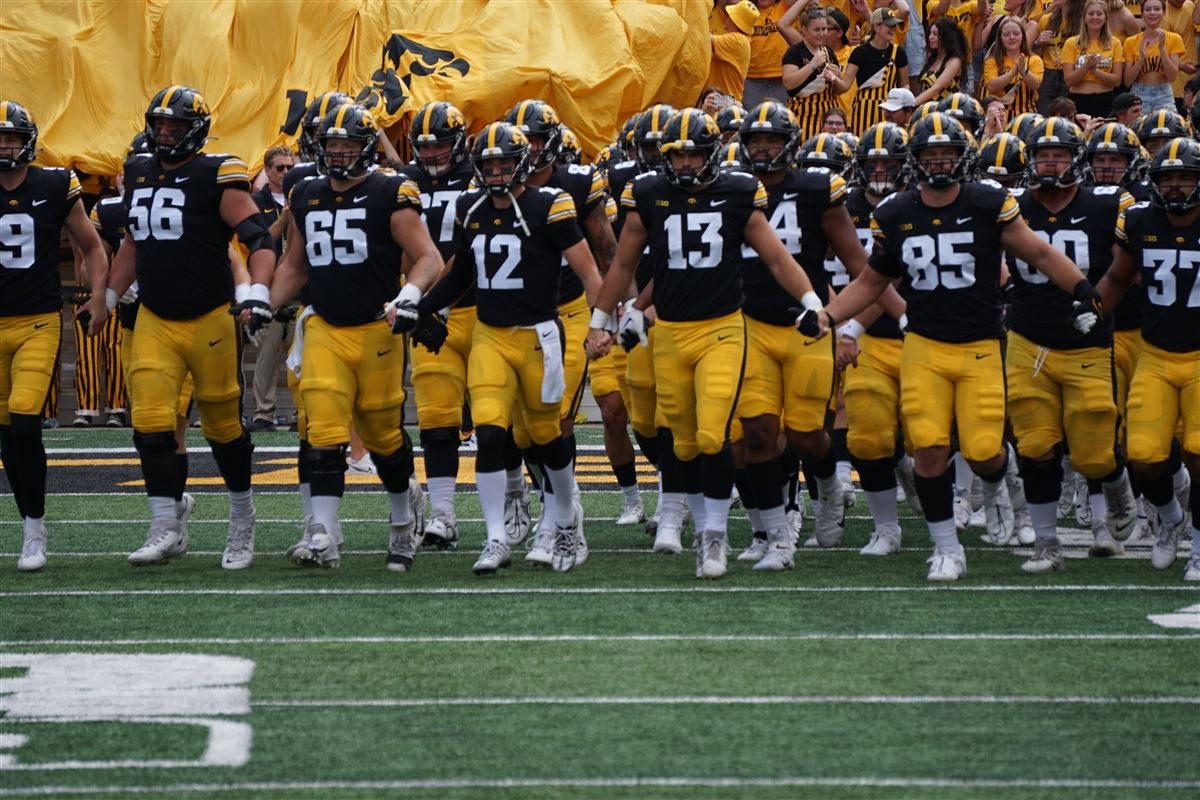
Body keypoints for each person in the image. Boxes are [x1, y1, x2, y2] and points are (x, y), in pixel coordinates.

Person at [809, 112, 1102, 580]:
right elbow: (872, 281)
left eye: (947, 152)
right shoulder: (897, 213)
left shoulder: (988, 202)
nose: (939, 161)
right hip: (925, 345)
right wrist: (829, 317)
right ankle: (947, 547)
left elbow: (1040, 253)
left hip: (980, 345)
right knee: (927, 447)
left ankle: (1008, 490)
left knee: (985, 448)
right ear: (917, 160)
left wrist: (1084, 289)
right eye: (931, 154)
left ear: (962, 157)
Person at [585, 108, 825, 579]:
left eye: (694, 155)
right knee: (686, 440)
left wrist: (812, 300)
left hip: (722, 329)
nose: (686, 165)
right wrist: (602, 322)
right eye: (677, 156)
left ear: (713, 154)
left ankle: (712, 538)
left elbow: (777, 258)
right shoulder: (650, 194)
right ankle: (712, 527)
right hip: (671, 332)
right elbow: (623, 267)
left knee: (717, 434)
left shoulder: (737, 193)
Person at [262, 102, 441, 572]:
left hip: (376, 326)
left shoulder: (389, 191)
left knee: (383, 435)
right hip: (323, 324)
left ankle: (404, 522)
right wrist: (263, 302)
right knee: (322, 427)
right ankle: (322, 533)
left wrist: (409, 296)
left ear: (365, 148)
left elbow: (428, 258)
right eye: (331, 146)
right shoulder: (305, 193)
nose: (338, 155)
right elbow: (296, 266)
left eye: (347, 146)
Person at [417, 122, 602, 575]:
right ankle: (496, 537)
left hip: (540, 335)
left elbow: (589, 270)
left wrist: (601, 323)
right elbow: (461, 274)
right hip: (490, 336)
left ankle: (565, 519)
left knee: (545, 435)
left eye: (503, 163)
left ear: (522, 163)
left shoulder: (550, 205)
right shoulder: (472, 206)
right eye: (489, 164)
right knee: (491, 435)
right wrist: (424, 308)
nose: (496, 171)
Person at [106, 85, 275, 570]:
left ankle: (242, 518)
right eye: (158, 125)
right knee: (151, 424)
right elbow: (133, 245)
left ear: (195, 131)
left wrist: (257, 293)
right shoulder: (138, 169)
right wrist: (109, 296)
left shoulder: (215, 173)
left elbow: (259, 239)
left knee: (223, 428)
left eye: (174, 126)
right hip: (156, 317)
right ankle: (166, 524)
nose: (164, 133)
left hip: (209, 319)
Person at [734, 103, 901, 569]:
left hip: (805, 325)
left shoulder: (815, 189)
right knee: (759, 433)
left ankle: (828, 486)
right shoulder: (731, 188)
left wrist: (868, 319)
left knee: (807, 436)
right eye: (754, 140)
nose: (762, 148)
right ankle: (774, 534)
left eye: (770, 139)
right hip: (747, 324)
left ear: (789, 142)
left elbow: (860, 265)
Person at [1004, 117, 1139, 571]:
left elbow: (1125, 267)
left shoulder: (1106, 205)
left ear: (1074, 158)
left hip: (1088, 342)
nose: (1050, 162)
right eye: (1042, 154)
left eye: (1059, 153)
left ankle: (1116, 482)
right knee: (1036, 446)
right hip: (1029, 340)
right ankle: (1047, 545)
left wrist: (1097, 304)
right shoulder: (1013, 205)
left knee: (1093, 452)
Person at [0, 100, 109, 571]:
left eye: (10, 136)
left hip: (38, 320)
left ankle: (35, 531)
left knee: (25, 420)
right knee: (6, 433)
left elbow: (91, 245)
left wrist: (100, 294)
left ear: (27, 141)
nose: (4, 145)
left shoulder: (53, 183)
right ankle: (29, 523)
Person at [504, 98, 613, 565]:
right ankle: (559, 504)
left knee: (556, 418)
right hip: (518, 316)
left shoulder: (577, 182)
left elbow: (606, 248)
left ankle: (558, 520)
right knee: (524, 429)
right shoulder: (494, 182)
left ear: (550, 144)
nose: (524, 151)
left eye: (531, 141)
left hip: (568, 311)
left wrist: (609, 311)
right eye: (518, 141)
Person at [1096, 137, 1200, 582]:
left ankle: (1198, 543)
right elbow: (1118, 277)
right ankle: (1171, 517)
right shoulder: (1139, 220)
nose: (1175, 187)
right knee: (1141, 456)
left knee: (1198, 453)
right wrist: (1089, 310)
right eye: (1167, 178)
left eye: (1184, 178)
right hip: (1156, 354)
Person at [830, 121, 915, 556]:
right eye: (873, 162)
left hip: (923, 332)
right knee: (866, 437)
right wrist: (846, 324)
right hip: (870, 336)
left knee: (936, 435)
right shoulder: (842, 206)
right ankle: (886, 528)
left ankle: (989, 499)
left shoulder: (915, 206)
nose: (881, 170)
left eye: (889, 162)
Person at [398, 100, 477, 552]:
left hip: (479, 309)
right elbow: (405, 247)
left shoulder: (479, 176)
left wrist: (429, 300)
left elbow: (464, 253)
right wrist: (415, 302)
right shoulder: (404, 182)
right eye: (423, 147)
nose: (430, 155)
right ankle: (443, 514)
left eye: (439, 146)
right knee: (436, 419)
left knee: (495, 418)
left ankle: (513, 494)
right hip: (427, 311)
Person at [248, 144, 295, 433]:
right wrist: (284, 219)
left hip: (300, 285)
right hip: (269, 286)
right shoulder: (255, 201)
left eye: (290, 167)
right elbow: (259, 241)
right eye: (280, 168)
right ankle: (263, 412)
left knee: (300, 354)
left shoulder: (306, 196)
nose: (286, 173)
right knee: (266, 355)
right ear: (267, 170)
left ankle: (302, 412)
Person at [826, 7, 910, 134]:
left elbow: (905, 84)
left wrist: (904, 103)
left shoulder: (898, 52)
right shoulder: (859, 52)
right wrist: (834, 78)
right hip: (863, 111)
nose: (893, 29)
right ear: (876, 27)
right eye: (889, 25)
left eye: (894, 26)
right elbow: (845, 85)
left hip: (889, 109)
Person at [781, 7, 844, 139]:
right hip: (802, 116)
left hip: (828, 116)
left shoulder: (829, 52)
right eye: (816, 30)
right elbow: (788, 83)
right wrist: (813, 65)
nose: (821, 34)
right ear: (804, 30)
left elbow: (838, 91)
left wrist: (837, 77)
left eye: (824, 29)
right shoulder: (795, 52)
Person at [1062, 0, 1125, 119]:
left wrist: (1095, 71)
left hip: (1105, 100)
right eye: (1091, 14)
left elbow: (1117, 81)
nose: (1095, 17)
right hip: (1078, 101)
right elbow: (1069, 81)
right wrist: (1086, 66)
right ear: (1084, 17)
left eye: (1099, 14)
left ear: (1105, 18)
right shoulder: (1071, 43)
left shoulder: (1115, 43)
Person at [1124, 0, 1186, 114]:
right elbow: (1127, 81)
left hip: (1164, 93)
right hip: (1139, 93)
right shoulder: (1131, 42)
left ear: (1164, 12)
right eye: (1148, 9)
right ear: (1142, 14)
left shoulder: (1174, 38)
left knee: (1169, 129)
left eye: (1157, 9)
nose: (1152, 13)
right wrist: (1141, 59)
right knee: (1138, 130)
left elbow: (1172, 76)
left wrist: (1162, 49)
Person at [982, 16, 1045, 118]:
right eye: (1006, 34)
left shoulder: (1034, 60)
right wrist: (1012, 73)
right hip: (999, 115)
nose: (1011, 37)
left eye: (1016, 34)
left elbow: (1036, 85)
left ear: (1022, 36)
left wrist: (1023, 72)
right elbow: (991, 86)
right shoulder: (992, 61)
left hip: (1027, 115)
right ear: (1000, 38)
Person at [744, 0, 801, 108]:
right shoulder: (748, 10)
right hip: (752, 77)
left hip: (781, 77)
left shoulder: (783, 7)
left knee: (781, 119)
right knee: (752, 120)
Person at [1029, 0, 1076, 115]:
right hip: (1047, 73)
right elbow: (1033, 51)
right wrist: (1038, 42)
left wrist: (1070, 59)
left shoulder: (1083, 20)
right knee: (1045, 114)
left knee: (1067, 115)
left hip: (1071, 73)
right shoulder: (1046, 19)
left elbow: (1090, 46)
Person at [709, 0, 761, 103]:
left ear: (732, 21)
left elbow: (705, 38)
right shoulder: (742, 39)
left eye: (729, 16)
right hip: (725, 99)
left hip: (725, 100)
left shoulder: (737, 41)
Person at [915, 18, 970, 105]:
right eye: (930, 33)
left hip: (945, 112)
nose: (930, 37)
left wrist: (912, 103)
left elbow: (936, 88)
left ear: (947, 37)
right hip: (927, 109)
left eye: (935, 34)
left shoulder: (954, 61)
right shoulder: (932, 58)